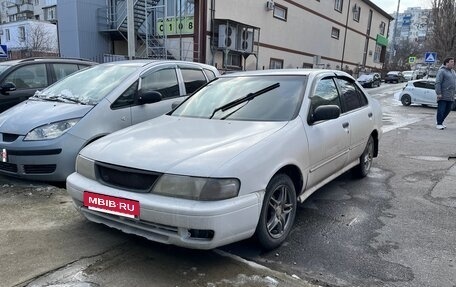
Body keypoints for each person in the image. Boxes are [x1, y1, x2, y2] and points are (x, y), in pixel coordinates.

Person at [435, 57, 456, 130]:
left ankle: (440, 121)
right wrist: (439, 93)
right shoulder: (442, 71)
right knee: (441, 110)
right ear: (447, 63)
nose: (453, 63)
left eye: (453, 62)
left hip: (451, 95)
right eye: (451, 61)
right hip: (443, 95)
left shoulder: (453, 72)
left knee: (448, 109)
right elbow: (438, 83)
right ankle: (439, 123)